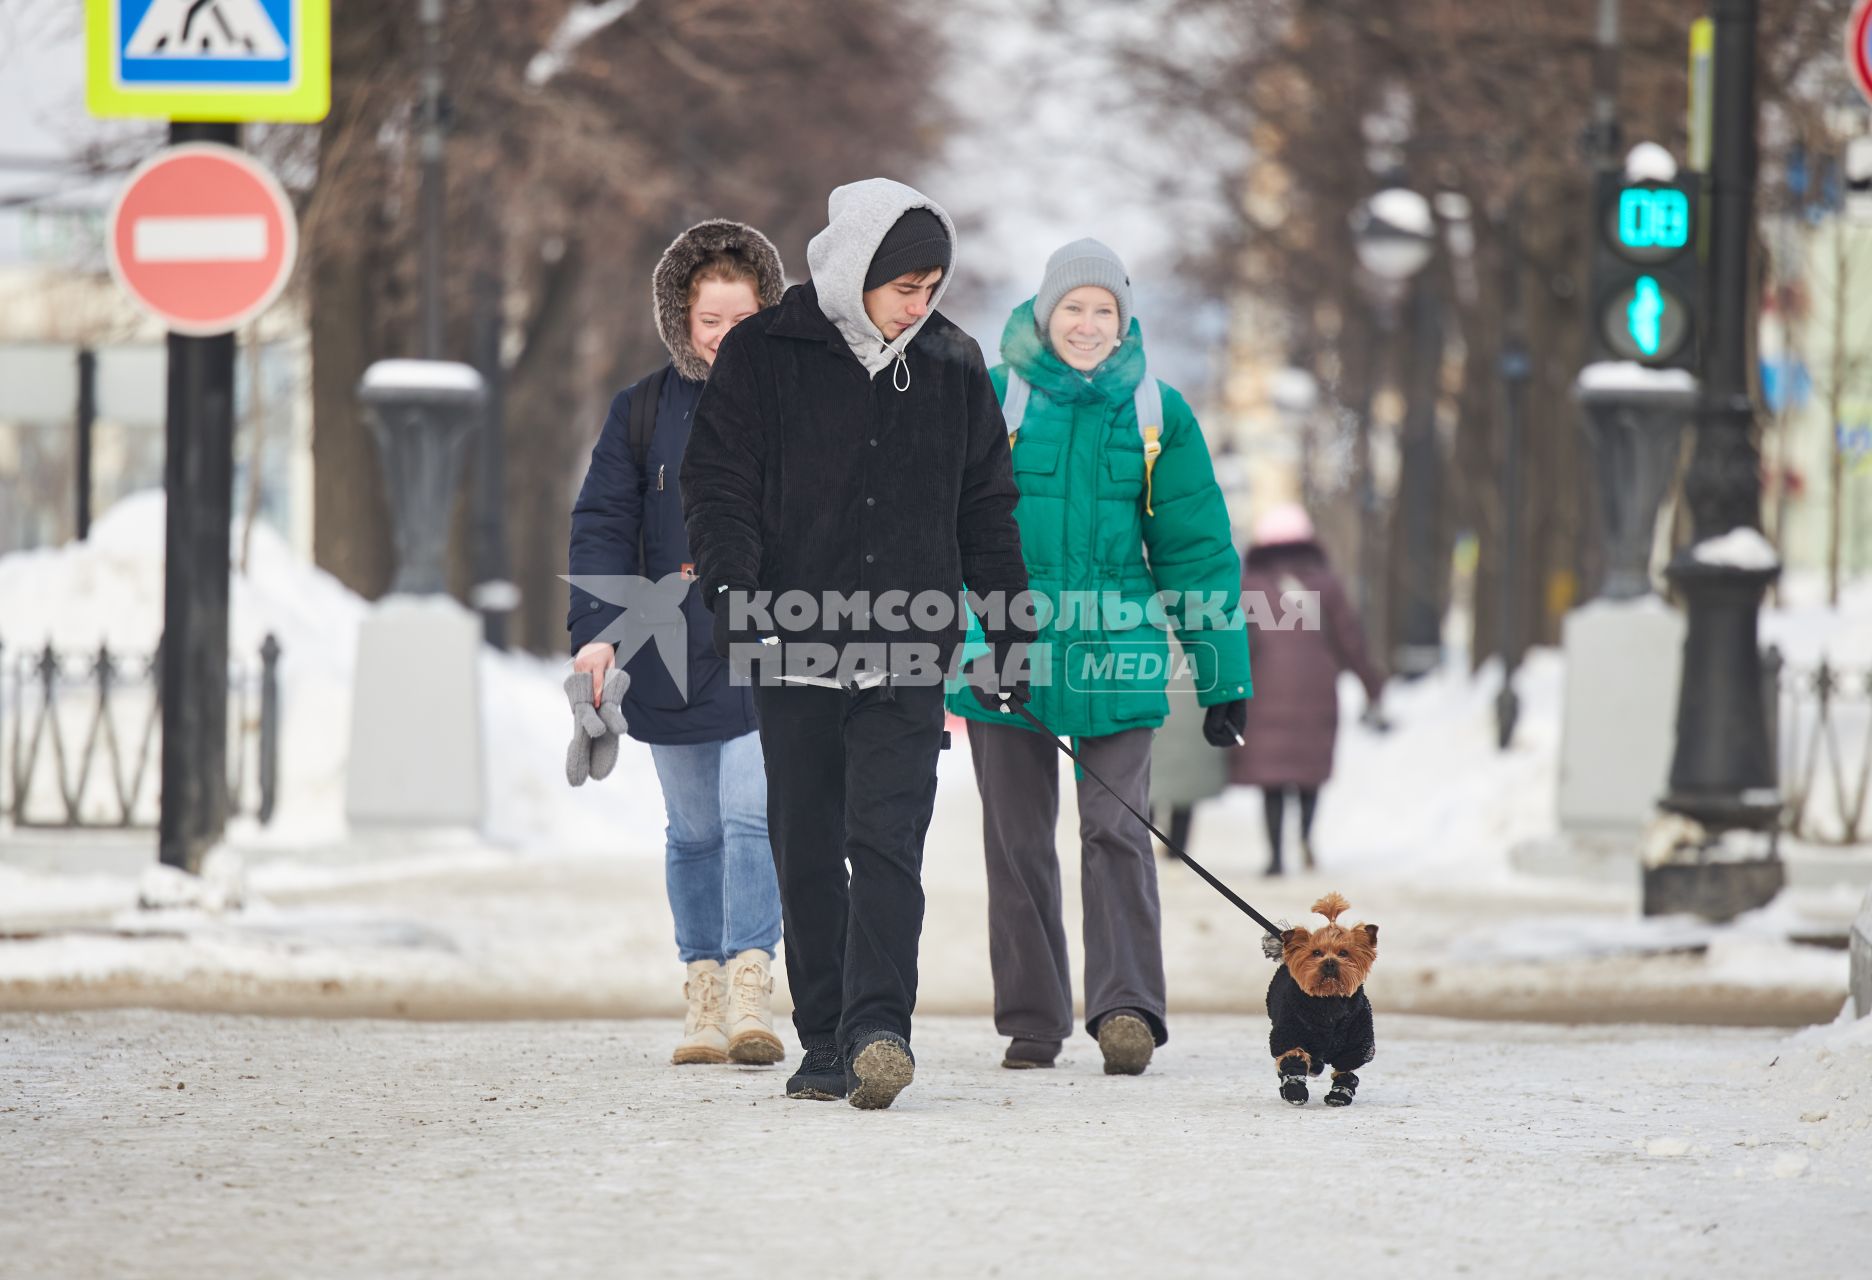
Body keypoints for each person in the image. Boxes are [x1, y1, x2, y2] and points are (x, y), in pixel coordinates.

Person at [681, 179, 1030, 1110]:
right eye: (905, 286)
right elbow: (720, 484)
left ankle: (880, 1029)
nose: (921, 305)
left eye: (932, 287)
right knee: (806, 844)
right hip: (792, 643)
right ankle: (825, 1035)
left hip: (910, 644)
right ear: (855, 272)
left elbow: (986, 509)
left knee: (887, 844)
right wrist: (731, 586)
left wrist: (1010, 632)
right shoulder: (764, 353)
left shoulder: (953, 362)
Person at [946, 239, 1251, 1076]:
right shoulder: (993, 399)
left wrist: (1224, 673)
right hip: (1003, 649)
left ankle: (1125, 1009)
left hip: (1118, 653)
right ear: (1046, 314)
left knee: (1116, 829)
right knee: (1017, 840)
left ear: (1124, 320)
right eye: (1073, 308)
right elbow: (944, 529)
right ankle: (1034, 1018)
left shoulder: (1159, 413)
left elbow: (1194, 549)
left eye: (1104, 311)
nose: (1088, 325)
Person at [567, 219, 788, 1068]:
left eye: (741, 319)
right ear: (681, 320)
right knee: (693, 831)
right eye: (710, 323)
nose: (726, 338)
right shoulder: (643, 410)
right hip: (665, 649)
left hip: (767, 643)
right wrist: (594, 638)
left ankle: (749, 986)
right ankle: (699, 985)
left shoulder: (795, 406)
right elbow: (602, 526)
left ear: (767, 312)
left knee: (749, 815)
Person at [1229, 503, 1384, 875]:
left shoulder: (1249, 583)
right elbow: (1349, 637)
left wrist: (1229, 687)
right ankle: (1306, 837)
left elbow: (1239, 640)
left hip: (1265, 688)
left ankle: (1275, 855)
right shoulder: (1326, 582)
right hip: (1316, 688)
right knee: (1308, 772)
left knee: (1272, 778)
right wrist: (1371, 683)